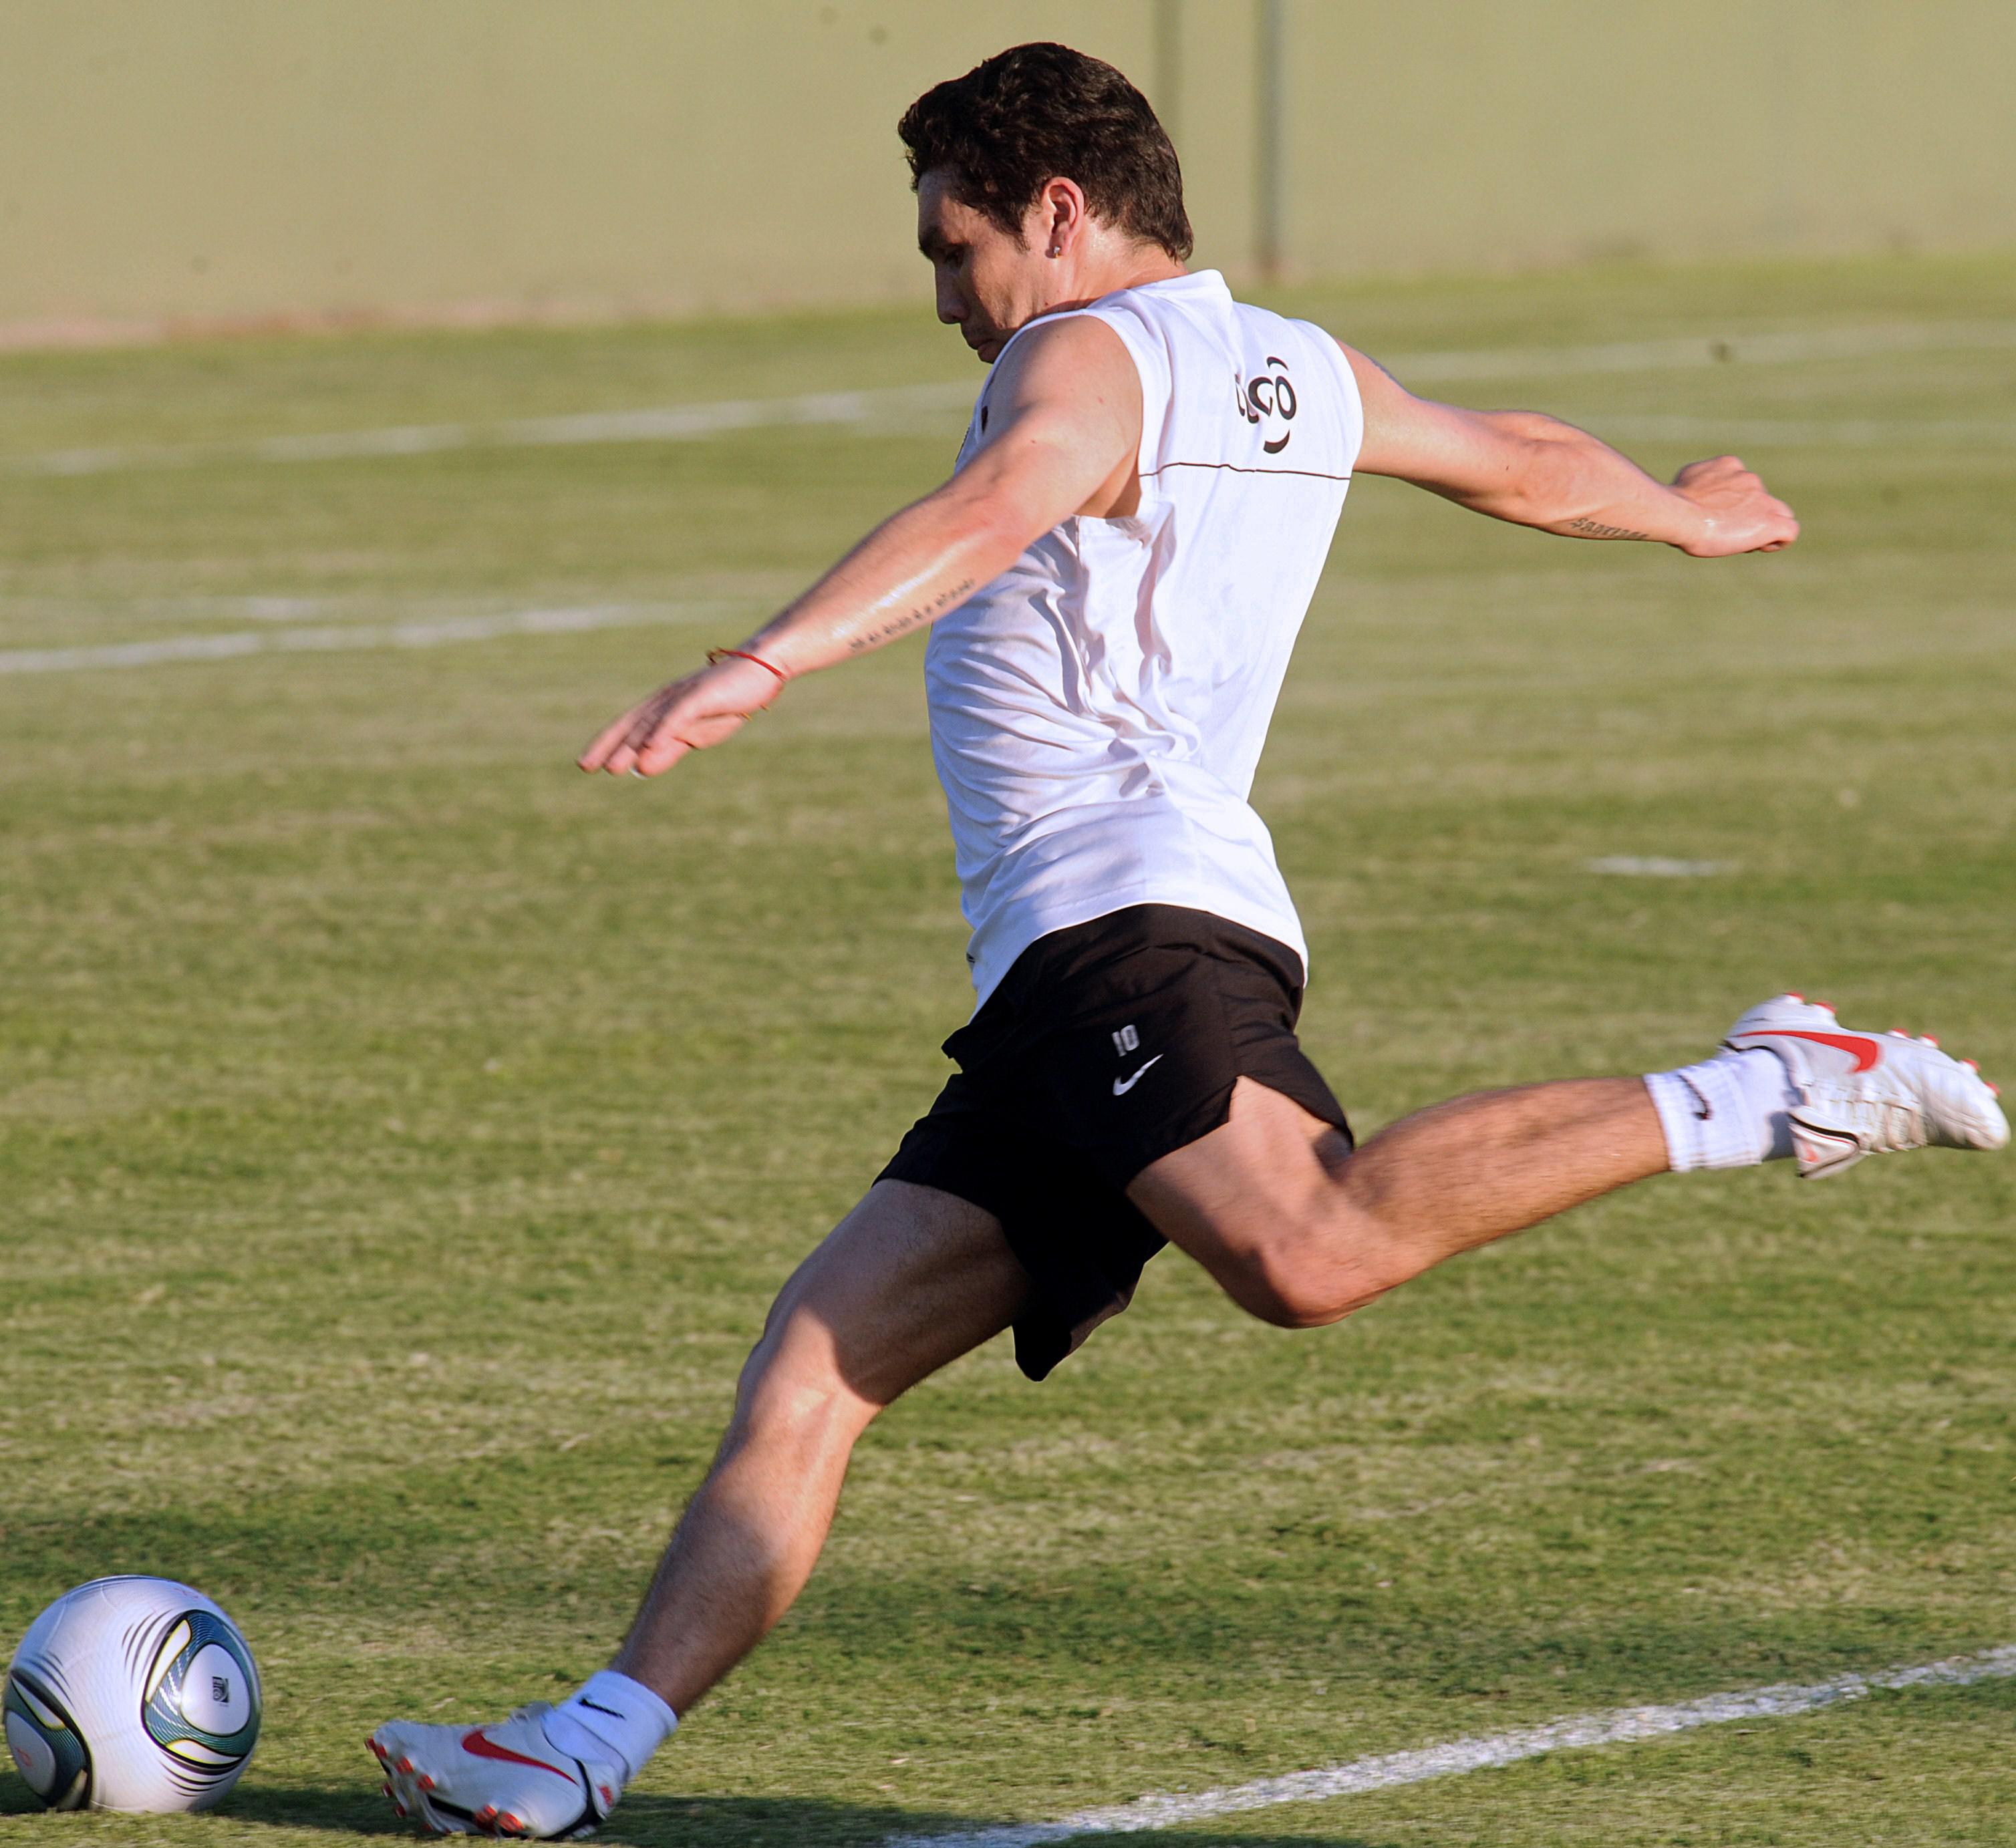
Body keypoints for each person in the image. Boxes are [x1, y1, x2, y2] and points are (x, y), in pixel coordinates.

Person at [370, 41, 2006, 1839]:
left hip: (1123, 927)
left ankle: (1769, 1088)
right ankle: (582, 1748)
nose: (946, 300)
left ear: (1060, 213)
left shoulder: (1074, 356)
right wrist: (1683, 511)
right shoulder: (1292, 366)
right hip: (1072, 970)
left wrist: (764, 660)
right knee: (822, 1360)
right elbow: (1522, 462)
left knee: (1306, 1246)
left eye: (956, 248)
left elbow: (1001, 502)